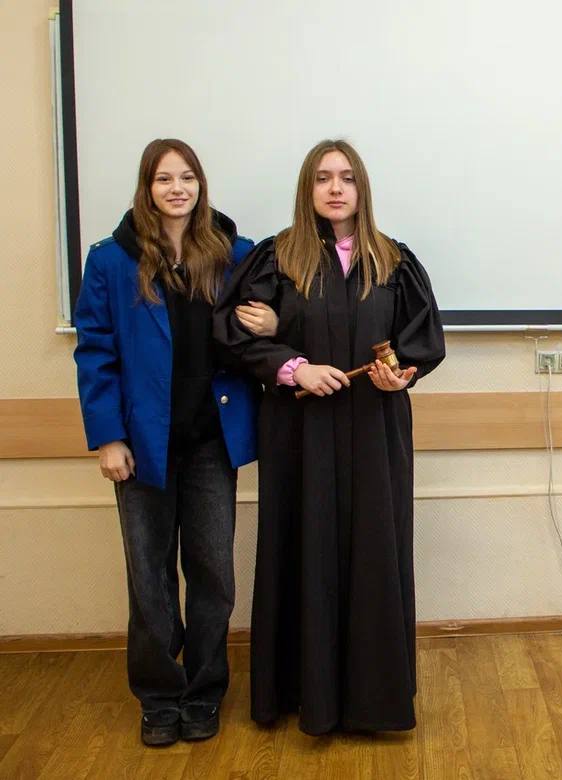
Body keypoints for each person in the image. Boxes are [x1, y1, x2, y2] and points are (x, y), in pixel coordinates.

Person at [213, 139, 445, 735]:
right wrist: (294, 367)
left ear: (361, 187)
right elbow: (235, 334)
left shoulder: (393, 261)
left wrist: (400, 374)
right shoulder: (276, 259)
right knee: (303, 544)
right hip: (300, 431)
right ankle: (302, 694)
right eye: (322, 178)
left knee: (374, 548)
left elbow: (420, 340)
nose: (335, 188)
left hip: (374, 426)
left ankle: (372, 701)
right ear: (307, 189)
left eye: (346, 177)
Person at [74, 138, 275, 746]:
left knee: (213, 573)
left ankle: (204, 691)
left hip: (212, 441)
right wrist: (108, 437)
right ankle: (159, 695)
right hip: (142, 446)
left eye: (187, 177)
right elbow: (95, 352)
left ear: (200, 184)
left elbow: (271, 319)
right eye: (164, 179)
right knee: (150, 576)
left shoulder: (235, 253)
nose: (177, 188)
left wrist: (273, 321)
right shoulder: (111, 260)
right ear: (147, 187)